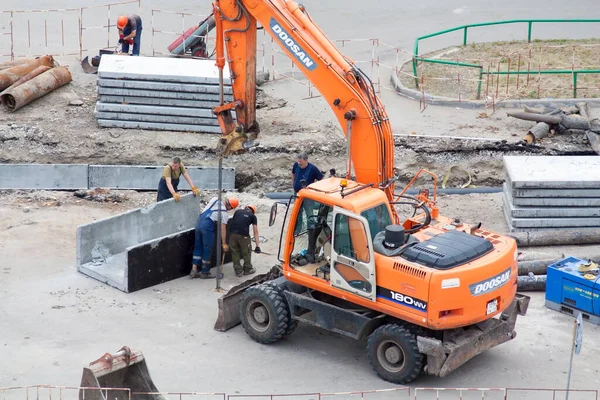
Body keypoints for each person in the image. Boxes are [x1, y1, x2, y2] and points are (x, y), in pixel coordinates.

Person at [190, 196, 239, 279]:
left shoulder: (215, 199)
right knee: (207, 248)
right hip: (207, 227)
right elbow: (223, 229)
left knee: (198, 247)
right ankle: (205, 272)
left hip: (198, 223)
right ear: (230, 207)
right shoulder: (224, 214)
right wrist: (224, 243)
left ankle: (194, 270)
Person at [292, 153, 323, 235]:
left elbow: (321, 179)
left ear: (306, 160)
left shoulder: (313, 169)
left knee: (309, 213)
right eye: (298, 161)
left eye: (301, 161)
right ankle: (298, 230)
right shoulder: (296, 165)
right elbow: (293, 173)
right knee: (297, 213)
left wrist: (314, 190)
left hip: (307, 196)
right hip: (297, 194)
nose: (299, 163)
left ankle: (311, 231)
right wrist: (293, 184)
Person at [229, 205, 261, 277]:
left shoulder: (237, 212)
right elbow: (255, 232)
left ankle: (238, 271)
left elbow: (234, 222)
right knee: (246, 252)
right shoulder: (253, 216)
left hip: (232, 235)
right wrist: (257, 246)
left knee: (235, 252)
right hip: (244, 236)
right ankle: (248, 269)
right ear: (253, 211)